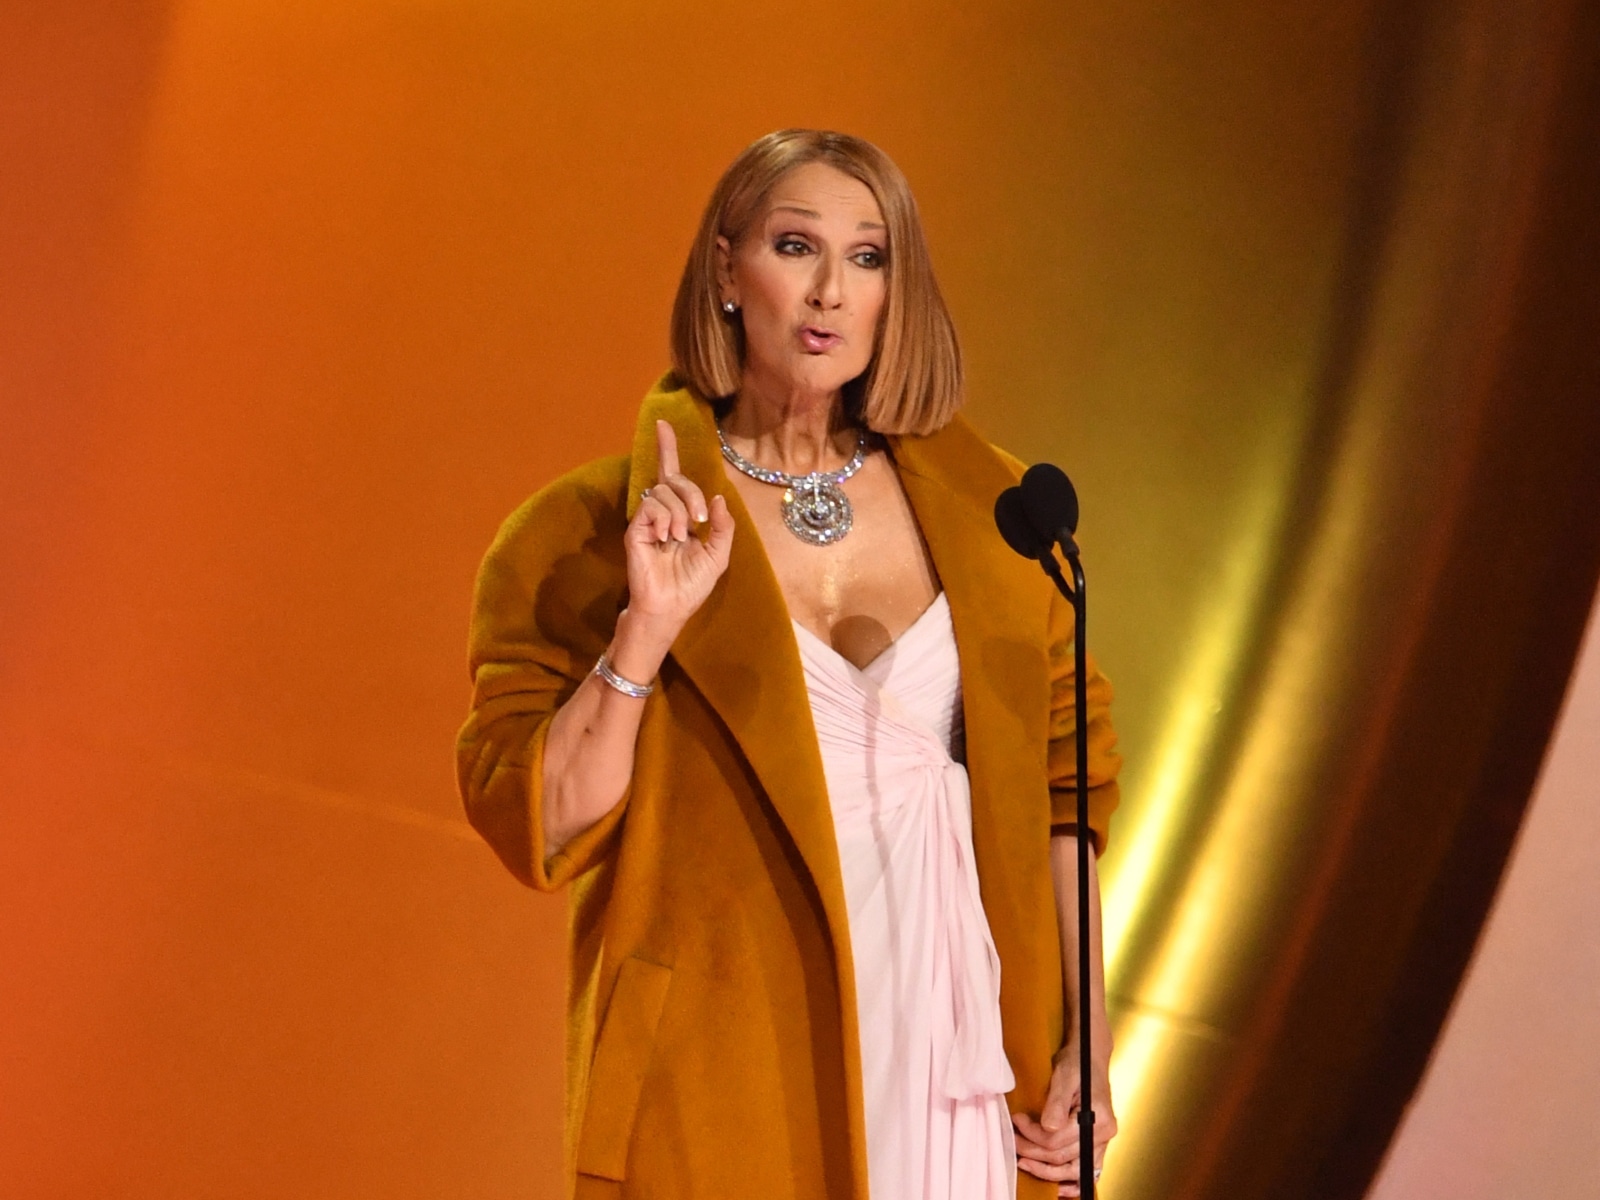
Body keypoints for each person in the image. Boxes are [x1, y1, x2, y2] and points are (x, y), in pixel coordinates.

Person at [456, 129, 1122, 1200]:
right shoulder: (577, 534)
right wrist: (646, 630)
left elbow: (1066, 798)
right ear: (725, 270)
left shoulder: (1002, 518)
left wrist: (1085, 1042)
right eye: (793, 245)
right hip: (728, 1070)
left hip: (958, 1061)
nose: (829, 292)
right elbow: (542, 825)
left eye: (868, 257)